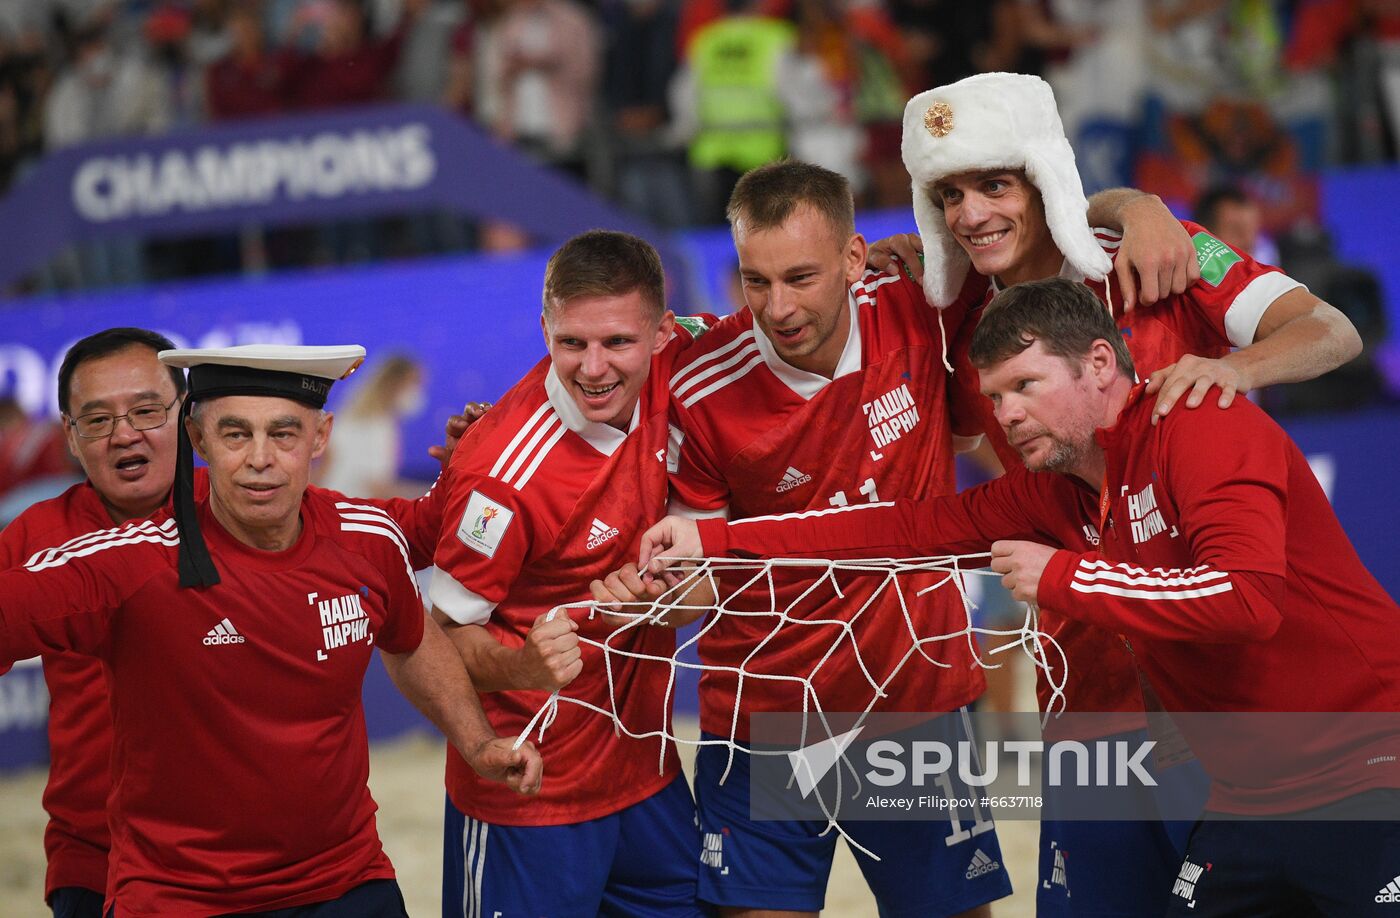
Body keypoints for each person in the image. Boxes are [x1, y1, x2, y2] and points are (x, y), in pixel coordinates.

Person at [641, 276, 1400, 916]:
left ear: (1101, 363)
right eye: (994, 395)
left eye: (1025, 386)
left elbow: (1245, 602)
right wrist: (718, 542)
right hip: (1248, 801)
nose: (1004, 415)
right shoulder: (1051, 493)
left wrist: (1064, 576)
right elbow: (901, 530)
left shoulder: (1198, 424)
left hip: (1369, 776)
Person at [873, 70, 1362, 916]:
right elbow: (954, 439)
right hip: (1081, 705)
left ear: (1041, 175)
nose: (971, 214)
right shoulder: (953, 315)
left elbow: (1333, 330)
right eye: (947, 194)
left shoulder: (1161, 253)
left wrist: (1224, 367)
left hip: (1217, 711)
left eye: (995, 184)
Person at [603, 158, 1012, 918]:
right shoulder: (700, 384)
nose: (777, 307)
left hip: (912, 703)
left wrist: (1141, 207)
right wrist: (656, 596)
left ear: (855, 260)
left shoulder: (922, 301)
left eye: (800, 277)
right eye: (755, 281)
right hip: (767, 719)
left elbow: (1034, 230)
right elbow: (703, 570)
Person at [0, 342, 540, 916]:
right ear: (200, 440)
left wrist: (478, 742)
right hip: (178, 896)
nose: (261, 458)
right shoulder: (126, 562)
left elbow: (410, 635)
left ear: (320, 437)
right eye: (236, 435)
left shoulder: (365, 537)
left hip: (347, 882)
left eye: (283, 434)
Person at [428, 230, 714, 917]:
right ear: (544, 330)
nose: (592, 368)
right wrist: (527, 666)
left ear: (662, 332)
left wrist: (892, 267)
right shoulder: (500, 475)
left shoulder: (692, 353)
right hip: (530, 796)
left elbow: (782, 318)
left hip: (648, 775)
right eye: (570, 343)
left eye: (617, 342)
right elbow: (431, 636)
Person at [318, 353, 429, 498]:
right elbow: (378, 488)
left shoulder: (354, 417)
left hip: (338, 506)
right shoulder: (375, 426)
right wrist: (432, 496)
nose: (417, 392)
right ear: (394, 383)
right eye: (414, 383)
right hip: (349, 512)